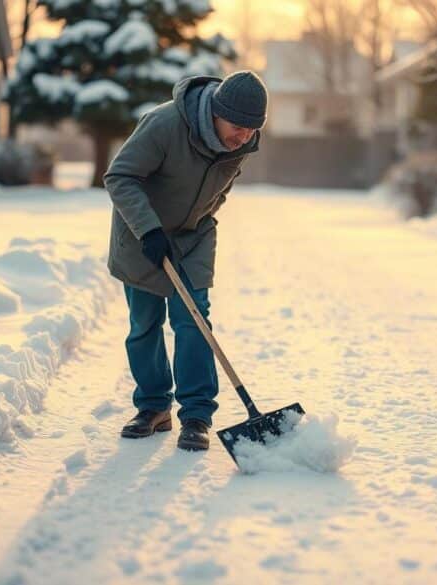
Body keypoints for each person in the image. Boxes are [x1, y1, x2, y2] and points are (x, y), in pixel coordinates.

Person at [103, 71, 267, 451]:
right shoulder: (164, 124)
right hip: (143, 234)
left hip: (193, 237)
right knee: (145, 323)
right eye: (239, 127)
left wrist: (198, 222)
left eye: (252, 129)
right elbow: (120, 176)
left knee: (194, 319)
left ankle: (196, 415)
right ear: (216, 112)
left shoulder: (241, 142)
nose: (245, 136)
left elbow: (220, 190)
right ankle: (153, 406)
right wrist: (150, 230)